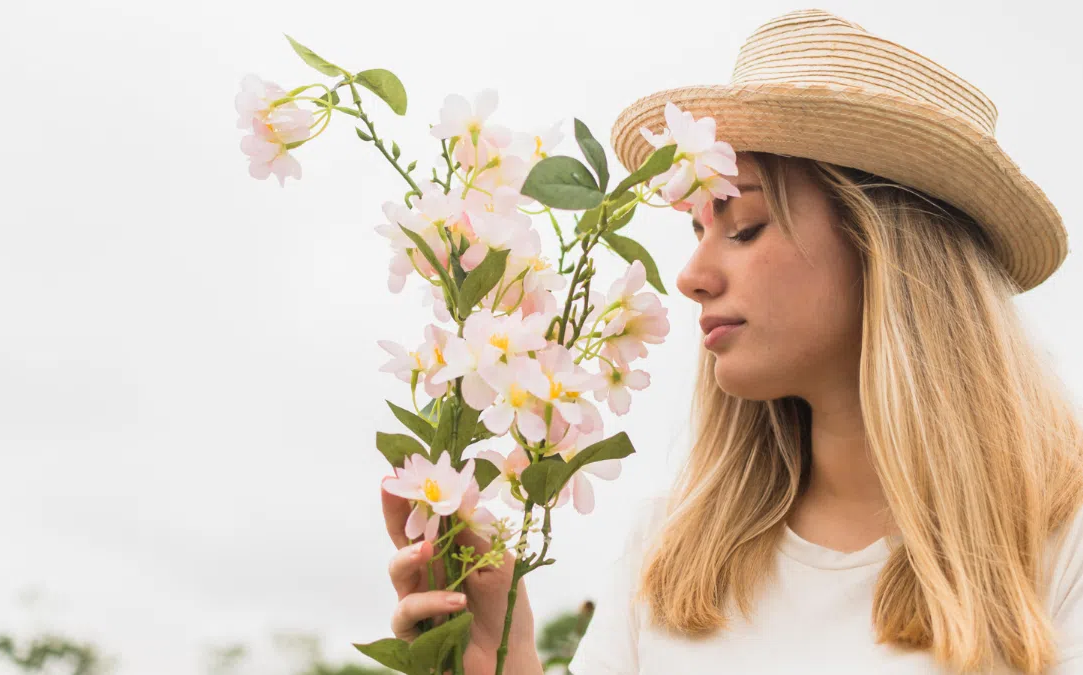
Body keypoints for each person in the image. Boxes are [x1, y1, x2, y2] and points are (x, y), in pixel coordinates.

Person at [381, 8, 1083, 674]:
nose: (689, 276)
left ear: (883, 245)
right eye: (696, 230)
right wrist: (504, 660)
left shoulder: (1062, 539)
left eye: (743, 226)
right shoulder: (664, 555)